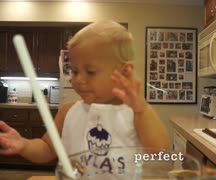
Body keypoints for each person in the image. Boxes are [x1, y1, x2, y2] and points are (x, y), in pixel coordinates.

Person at [0, 20, 170, 165]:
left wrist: (142, 110)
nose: (78, 79)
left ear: (124, 73)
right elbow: (47, 148)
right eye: (74, 71)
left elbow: (162, 157)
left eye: (90, 72)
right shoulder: (68, 111)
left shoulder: (136, 114)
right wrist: (24, 145)